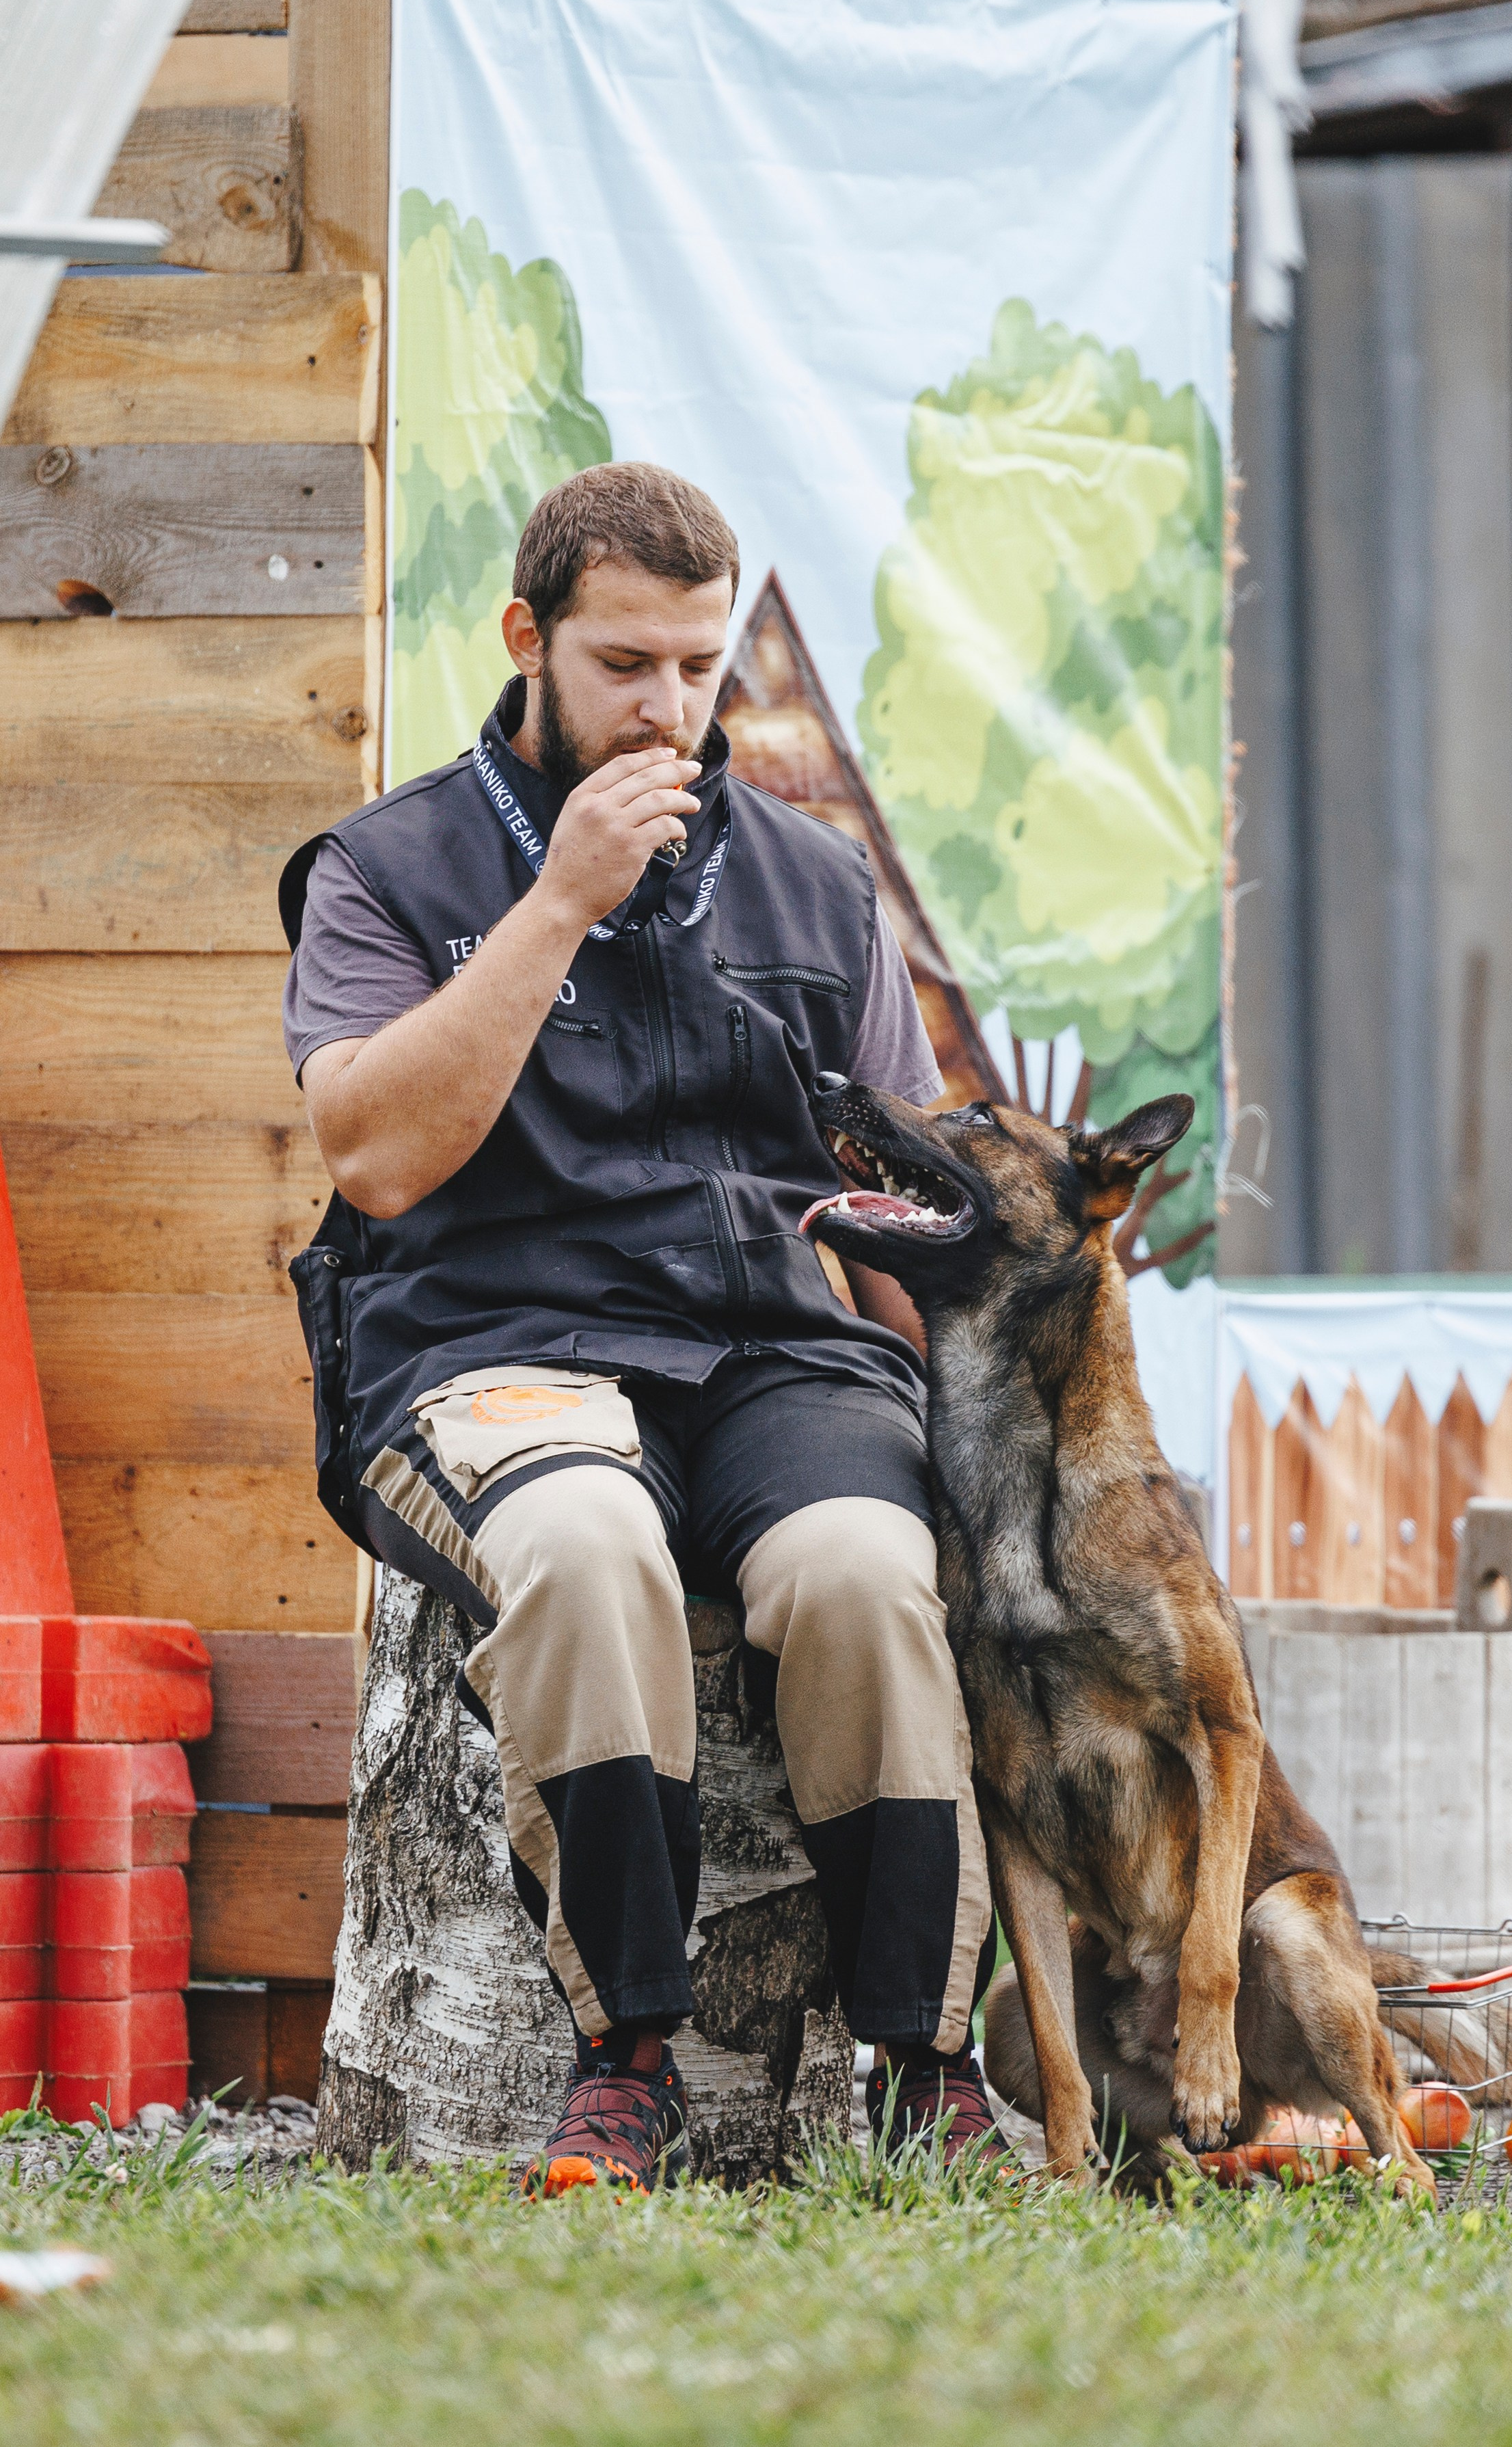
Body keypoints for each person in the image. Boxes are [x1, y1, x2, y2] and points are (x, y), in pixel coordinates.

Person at [280, 461, 1007, 2194]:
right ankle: (629, 2049)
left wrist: (976, 1435)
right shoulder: (385, 867)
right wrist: (555, 907)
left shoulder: (818, 891)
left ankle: (922, 2056)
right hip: (485, 1339)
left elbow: (902, 1191)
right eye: (624, 663)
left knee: (860, 1570)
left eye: (695, 665)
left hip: (769, 1343)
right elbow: (375, 1154)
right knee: (592, 1543)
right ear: (528, 638)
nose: (667, 708)